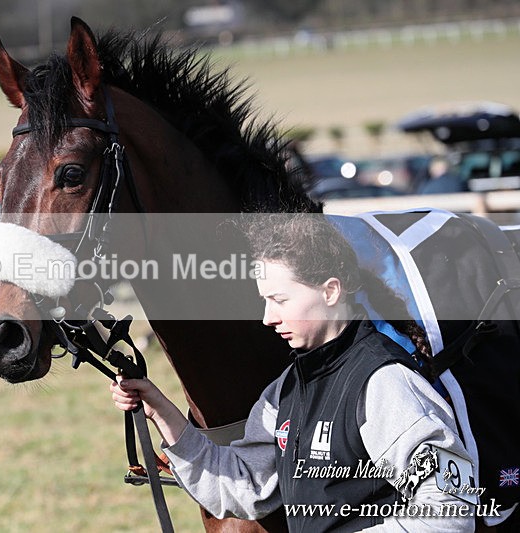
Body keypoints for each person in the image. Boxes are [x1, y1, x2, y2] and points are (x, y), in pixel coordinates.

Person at [110, 213, 476, 532]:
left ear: (331, 291)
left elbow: (449, 510)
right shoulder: (284, 391)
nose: (268, 318)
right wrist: (160, 410)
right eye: (264, 301)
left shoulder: (385, 384)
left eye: (280, 300)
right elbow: (243, 485)